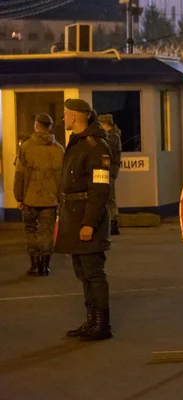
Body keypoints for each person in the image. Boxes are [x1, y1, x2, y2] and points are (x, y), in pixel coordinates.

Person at [54, 99, 113, 341]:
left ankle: (102, 326)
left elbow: (100, 190)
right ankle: (91, 321)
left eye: (66, 113)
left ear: (77, 116)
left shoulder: (95, 146)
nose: (63, 118)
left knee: (93, 272)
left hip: (87, 220)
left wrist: (89, 223)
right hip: (73, 216)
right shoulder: (77, 143)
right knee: (82, 272)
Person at [13, 114, 64, 276]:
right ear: (49, 127)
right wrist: (60, 199)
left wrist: (19, 197)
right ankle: (45, 266)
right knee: (46, 232)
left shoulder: (26, 147)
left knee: (30, 229)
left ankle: (34, 264)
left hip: (29, 198)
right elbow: (62, 178)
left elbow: (19, 174)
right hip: (50, 200)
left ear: (36, 126)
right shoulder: (59, 149)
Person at [97, 114, 122, 235]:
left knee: (110, 197)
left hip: (110, 170)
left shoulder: (112, 137)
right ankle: (111, 222)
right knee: (108, 197)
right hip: (110, 169)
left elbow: (107, 149)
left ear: (104, 124)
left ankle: (113, 223)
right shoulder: (113, 136)